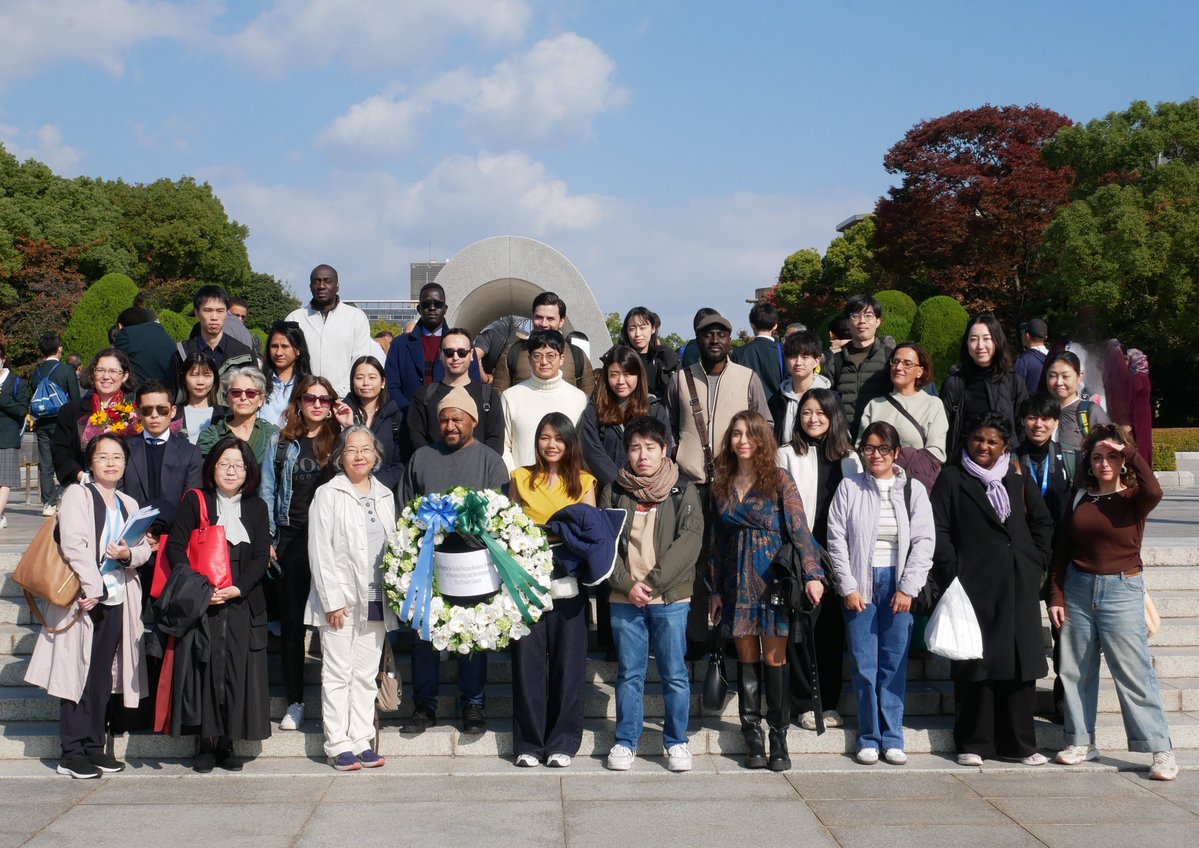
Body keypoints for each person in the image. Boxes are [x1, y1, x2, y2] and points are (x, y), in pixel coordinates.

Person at [1047, 425, 1176, 779]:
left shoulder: (1135, 498)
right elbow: (1061, 550)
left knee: (1135, 675)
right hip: (1077, 588)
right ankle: (1080, 742)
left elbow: (1155, 488)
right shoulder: (1079, 498)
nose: (1105, 463)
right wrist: (1055, 594)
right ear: (1089, 462)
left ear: (1123, 461)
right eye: (1098, 457)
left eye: (1112, 457)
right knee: (1075, 671)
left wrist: (1129, 449)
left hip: (1122, 590)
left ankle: (1160, 751)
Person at [930, 411, 1054, 766]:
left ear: (1004, 447)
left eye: (992, 442)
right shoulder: (952, 478)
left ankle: (1020, 744)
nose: (983, 447)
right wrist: (954, 571)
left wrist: (1037, 560)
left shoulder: (1016, 477)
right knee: (976, 662)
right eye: (977, 440)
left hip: (1018, 581)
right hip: (973, 584)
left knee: (1019, 663)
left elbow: (1043, 520)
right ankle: (975, 742)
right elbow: (939, 530)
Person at [24, 433, 151, 778]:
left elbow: (143, 550)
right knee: (76, 674)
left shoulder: (129, 503)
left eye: (117, 457)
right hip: (82, 598)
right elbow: (74, 544)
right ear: (90, 463)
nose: (111, 463)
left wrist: (128, 554)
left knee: (101, 677)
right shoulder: (78, 495)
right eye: (103, 457)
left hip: (117, 598)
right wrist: (92, 586)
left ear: (125, 464)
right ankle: (71, 751)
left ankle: (95, 746)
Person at [708, 411, 825, 771]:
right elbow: (716, 542)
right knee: (746, 660)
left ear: (762, 439)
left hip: (772, 581)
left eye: (750, 434)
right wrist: (714, 590)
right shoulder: (721, 483)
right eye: (736, 433)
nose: (742, 440)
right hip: (736, 582)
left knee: (775, 659)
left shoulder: (779, 479)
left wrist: (812, 573)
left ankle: (778, 735)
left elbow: (800, 529)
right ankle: (752, 734)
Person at [399, 386, 509, 734]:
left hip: (474, 564)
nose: (449, 426)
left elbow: (501, 516)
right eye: (444, 419)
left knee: (473, 633)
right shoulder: (422, 458)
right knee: (424, 635)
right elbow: (405, 508)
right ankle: (424, 705)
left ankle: (473, 705)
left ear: (473, 422)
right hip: (429, 563)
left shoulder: (490, 461)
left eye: (456, 419)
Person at [600, 416, 704, 772]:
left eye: (650, 447)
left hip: (671, 597)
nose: (642, 455)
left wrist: (653, 584)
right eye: (634, 447)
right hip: (625, 597)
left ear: (664, 450)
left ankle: (676, 741)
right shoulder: (615, 489)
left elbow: (689, 541)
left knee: (674, 672)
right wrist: (628, 585)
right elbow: (604, 545)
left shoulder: (682, 488)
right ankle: (625, 742)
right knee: (630, 673)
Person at [827, 421, 934, 765]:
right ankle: (869, 737)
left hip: (898, 585)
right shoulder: (849, 487)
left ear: (896, 452)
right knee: (863, 663)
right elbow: (836, 540)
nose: (876, 455)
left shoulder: (912, 490)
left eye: (883, 449)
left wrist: (908, 587)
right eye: (869, 448)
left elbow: (923, 542)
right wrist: (848, 586)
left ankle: (893, 736)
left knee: (894, 663)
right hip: (861, 583)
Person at [164, 437, 272, 770]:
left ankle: (228, 743)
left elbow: (259, 556)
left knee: (237, 672)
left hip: (242, 601)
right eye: (224, 463)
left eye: (238, 465)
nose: (231, 470)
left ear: (248, 471)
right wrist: (201, 589)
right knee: (205, 669)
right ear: (212, 468)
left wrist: (238, 588)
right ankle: (205, 743)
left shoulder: (256, 507)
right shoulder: (196, 502)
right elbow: (176, 549)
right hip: (204, 600)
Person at [668, 311, 771, 647]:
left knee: (734, 556)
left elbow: (764, 425)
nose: (714, 339)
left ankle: (733, 635)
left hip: (735, 481)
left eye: (721, 334)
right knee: (693, 557)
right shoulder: (680, 379)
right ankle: (696, 636)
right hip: (692, 482)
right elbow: (671, 425)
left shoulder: (747, 377)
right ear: (698, 339)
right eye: (707, 334)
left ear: (730, 340)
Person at [508, 412, 597, 768]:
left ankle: (562, 742)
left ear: (569, 442)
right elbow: (510, 526)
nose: (551, 444)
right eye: (545, 437)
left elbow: (590, 531)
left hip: (569, 576)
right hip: (527, 577)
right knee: (527, 661)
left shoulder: (585, 481)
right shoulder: (520, 477)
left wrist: (554, 533)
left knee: (568, 662)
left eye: (558, 438)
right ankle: (529, 744)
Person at [306, 425, 397, 770]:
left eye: (366, 449)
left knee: (364, 673)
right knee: (337, 672)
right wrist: (332, 600)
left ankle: (361, 739)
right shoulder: (329, 494)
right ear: (339, 457)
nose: (359, 456)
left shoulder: (385, 494)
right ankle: (337, 743)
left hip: (376, 597)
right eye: (351, 450)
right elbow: (320, 551)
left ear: (376, 455)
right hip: (341, 598)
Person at [775, 387, 861, 730]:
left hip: (839, 550)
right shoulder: (786, 454)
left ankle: (829, 701)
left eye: (820, 413)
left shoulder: (851, 458)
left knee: (831, 630)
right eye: (807, 412)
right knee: (802, 627)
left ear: (833, 416)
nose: (813, 419)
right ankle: (805, 702)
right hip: (802, 546)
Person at [271, 375, 341, 731]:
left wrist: (348, 424)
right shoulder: (281, 443)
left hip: (332, 543)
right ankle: (295, 701)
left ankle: (336, 700)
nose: (317, 404)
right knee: (293, 626)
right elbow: (268, 492)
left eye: (324, 399)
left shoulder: (341, 441)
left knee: (335, 621)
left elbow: (368, 467)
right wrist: (269, 537)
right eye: (310, 398)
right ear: (298, 402)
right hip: (291, 539)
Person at [1014, 395, 1072, 722]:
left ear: (1055, 422)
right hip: (1023, 555)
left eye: (1046, 418)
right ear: (1023, 420)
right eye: (1032, 417)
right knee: (1021, 629)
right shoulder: (1010, 459)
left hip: (1061, 557)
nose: (1038, 424)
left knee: (1064, 631)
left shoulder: (1071, 459)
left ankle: (1064, 699)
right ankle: (1019, 699)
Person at [120, 379, 203, 540]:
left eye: (162, 409)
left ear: (172, 411)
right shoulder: (124, 449)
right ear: (137, 413)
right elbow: (117, 497)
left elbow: (190, 504)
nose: (154, 415)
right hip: (130, 538)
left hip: (174, 540)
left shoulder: (190, 452)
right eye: (147, 410)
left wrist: (167, 537)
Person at [940, 313, 1029, 461]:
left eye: (987, 339)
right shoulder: (955, 383)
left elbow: (1023, 427)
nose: (980, 346)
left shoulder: (1013, 382)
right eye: (973, 339)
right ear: (967, 343)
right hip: (963, 465)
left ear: (997, 341)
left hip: (1004, 465)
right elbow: (943, 428)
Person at [581, 345, 672, 488]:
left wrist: (643, 484)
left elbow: (665, 450)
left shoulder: (654, 409)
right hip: (609, 491)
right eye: (614, 374)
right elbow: (592, 452)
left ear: (638, 375)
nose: (620, 381)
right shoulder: (595, 410)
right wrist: (620, 484)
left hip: (648, 490)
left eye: (627, 374)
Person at [404, 327, 503, 458]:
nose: (455, 357)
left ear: (471, 355)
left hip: (477, 473)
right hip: (434, 471)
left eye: (462, 352)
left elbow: (495, 441)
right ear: (440, 354)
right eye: (449, 352)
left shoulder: (488, 396)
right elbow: (416, 438)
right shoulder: (424, 395)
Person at [501, 329, 589, 471]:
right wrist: (516, 480)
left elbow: (582, 449)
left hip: (566, 486)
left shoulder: (580, 399)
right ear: (529, 359)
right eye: (537, 356)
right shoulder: (511, 397)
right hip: (522, 487)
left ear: (561, 359)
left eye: (550, 356)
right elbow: (504, 447)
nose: (543, 362)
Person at [385, 282, 481, 412]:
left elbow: (474, 384)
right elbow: (392, 387)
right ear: (419, 309)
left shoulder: (462, 344)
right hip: (408, 419)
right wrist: (410, 412)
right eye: (426, 304)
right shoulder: (399, 345)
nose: (432, 308)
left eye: (438, 304)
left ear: (445, 308)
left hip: (451, 419)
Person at [52, 349, 139, 489]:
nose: (106, 376)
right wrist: (81, 476)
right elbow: (60, 451)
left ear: (124, 376)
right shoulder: (71, 411)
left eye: (112, 371)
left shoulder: (135, 413)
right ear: (93, 373)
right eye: (100, 370)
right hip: (83, 486)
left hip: (127, 488)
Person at [286, 264, 372, 398]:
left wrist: (338, 392)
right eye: (316, 281)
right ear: (310, 286)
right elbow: (287, 360)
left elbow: (360, 360)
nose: (321, 286)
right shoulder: (295, 318)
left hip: (344, 399)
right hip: (304, 398)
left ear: (337, 286)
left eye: (327, 281)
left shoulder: (356, 317)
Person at [857, 342, 949, 462]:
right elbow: (862, 450)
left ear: (920, 371)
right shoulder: (874, 405)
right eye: (895, 362)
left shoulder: (933, 405)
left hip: (915, 477)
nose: (899, 367)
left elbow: (936, 452)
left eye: (907, 363)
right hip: (876, 478)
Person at [490, 292, 596, 396]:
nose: (544, 324)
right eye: (539, 317)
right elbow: (499, 397)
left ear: (562, 321)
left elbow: (588, 400)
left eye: (550, 319)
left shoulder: (576, 354)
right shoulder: (513, 351)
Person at [328, 356, 403, 492]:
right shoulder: (340, 414)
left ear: (383, 382)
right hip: (348, 491)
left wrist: (373, 487)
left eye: (372, 377)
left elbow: (400, 464)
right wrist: (349, 427)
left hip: (385, 491)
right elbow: (335, 459)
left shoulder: (396, 416)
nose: (365, 383)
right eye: (359, 377)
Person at [168, 286, 256, 395]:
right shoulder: (182, 354)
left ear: (226, 313)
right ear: (197, 313)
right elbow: (172, 395)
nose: (214, 317)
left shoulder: (244, 355)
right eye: (208, 310)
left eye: (220, 311)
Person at [826, 295, 894, 435]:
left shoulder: (890, 357)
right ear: (847, 322)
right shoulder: (835, 360)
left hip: (881, 439)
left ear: (878, 321)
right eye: (855, 315)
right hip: (844, 439)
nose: (862, 321)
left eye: (868, 315)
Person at [30, 333, 82, 515]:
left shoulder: (36, 372)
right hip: (64, 422)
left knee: (45, 463)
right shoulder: (66, 370)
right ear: (59, 348)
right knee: (67, 457)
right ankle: (69, 494)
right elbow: (75, 398)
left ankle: (49, 502)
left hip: (42, 423)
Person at [1044, 350, 1112, 478]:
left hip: (1081, 488)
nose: (1059, 382)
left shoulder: (1091, 412)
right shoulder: (1039, 412)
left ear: (1079, 376)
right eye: (1052, 375)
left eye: (1065, 376)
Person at [196, 367, 280, 466]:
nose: (243, 398)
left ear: (261, 400)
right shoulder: (210, 437)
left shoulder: (273, 435)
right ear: (226, 397)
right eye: (236, 392)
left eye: (250, 393)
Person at [768, 329, 831, 446]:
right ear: (786, 360)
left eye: (805, 356)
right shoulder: (777, 399)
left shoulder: (831, 398)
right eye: (793, 356)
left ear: (816, 361)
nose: (798, 362)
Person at [619, 306, 680, 399]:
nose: (637, 334)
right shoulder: (617, 359)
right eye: (632, 328)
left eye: (642, 328)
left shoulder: (667, 360)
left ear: (653, 329)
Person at [260, 321, 312, 428]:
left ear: (298, 350)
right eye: (274, 346)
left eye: (285, 346)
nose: (278, 353)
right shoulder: (258, 382)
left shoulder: (308, 386)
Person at [731, 302, 785, 405]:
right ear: (775, 326)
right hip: (777, 410)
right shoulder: (784, 351)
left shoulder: (739, 352)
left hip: (749, 410)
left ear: (752, 325)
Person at [0, 343, 29, 529]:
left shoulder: (18, 382)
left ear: (3, 359)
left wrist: (3, 401)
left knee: (5, 479)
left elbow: (22, 410)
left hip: (8, 434)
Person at [113, 305, 175, 386]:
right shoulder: (165, 335)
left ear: (120, 326)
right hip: (169, 392)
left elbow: (115, 365)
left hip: (139, 392)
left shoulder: (126, 335)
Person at [174, 352, 227, 445]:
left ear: (214, 378)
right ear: (183, 378)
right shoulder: (172, 414)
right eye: (194, 375)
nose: (200, 382)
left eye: (207, 375)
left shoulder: (225, 415)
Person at [1015, 318, 1050, 398]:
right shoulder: (1053, 358)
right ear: (1046, 337)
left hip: (1030, 407)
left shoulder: (1024, 360)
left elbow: (1016, 389)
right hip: (1050, 407)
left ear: (1027, 336)